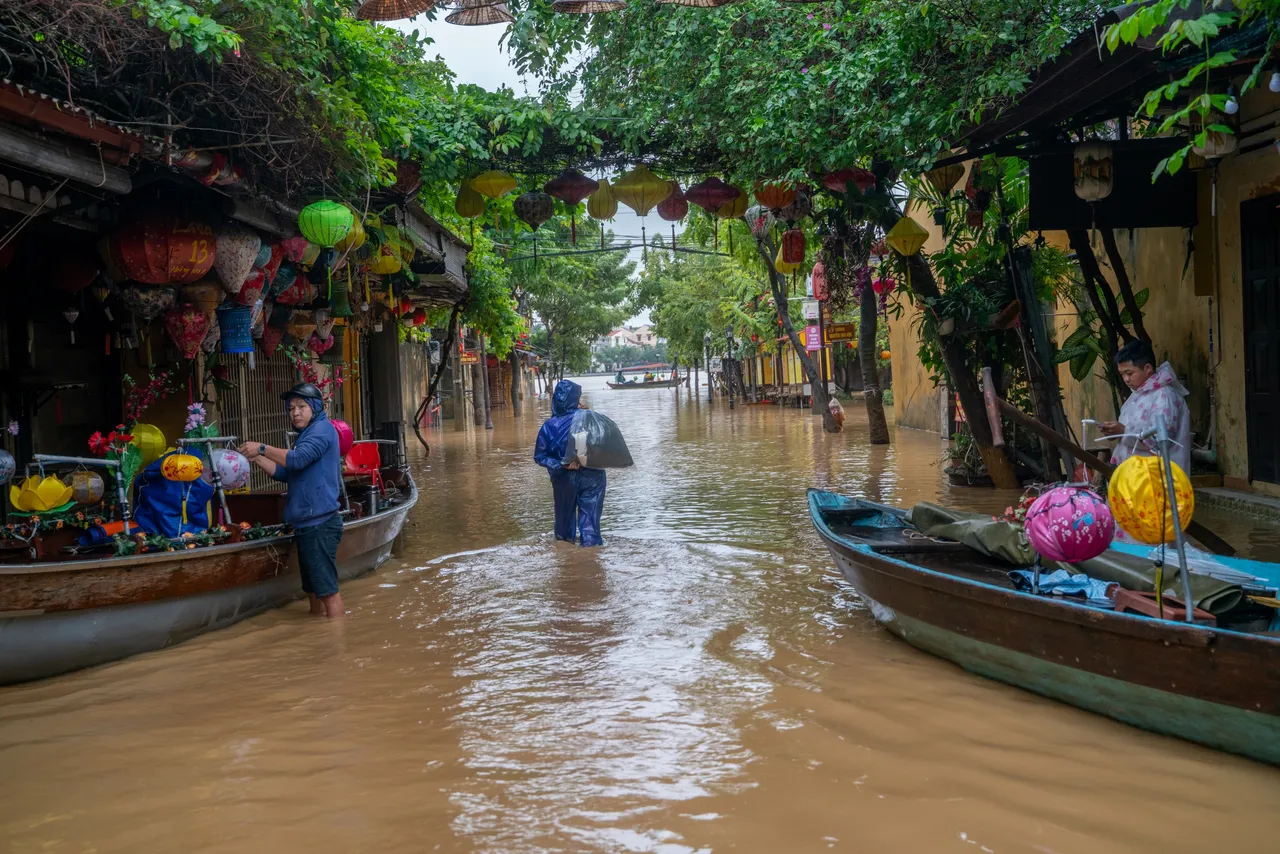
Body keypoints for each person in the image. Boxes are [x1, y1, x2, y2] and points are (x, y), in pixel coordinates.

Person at [239, 383, 345, 618]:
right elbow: (285, 473)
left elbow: (296, 460)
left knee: (327, 591)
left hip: (320, 524)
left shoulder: (322, 431)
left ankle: (338, 645)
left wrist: (263, 447)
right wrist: (257, 458)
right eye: (291, 408)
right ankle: (319, 632)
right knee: (312, 590)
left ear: (315, 408)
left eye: (301, 407)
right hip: (307, 524)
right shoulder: (307, 434)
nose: (295, 413)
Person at [1099, 339, 1191, 475]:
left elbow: (1162, 441)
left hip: (1159, 480)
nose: (1126, 379)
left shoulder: (1164, 396)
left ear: (1147, 368)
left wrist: (1124, 431)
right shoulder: (1135, 396)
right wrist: (1116, 433)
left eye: (1129, 373)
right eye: (1122, 374)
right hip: (1136, 478)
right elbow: (1130, 433)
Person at [533, 379, 606, 547]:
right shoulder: (590, 419)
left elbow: (540, 456)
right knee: (591, 525)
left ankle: (565, 556)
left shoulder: (549, 426)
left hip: (564, 477)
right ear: (576, 398)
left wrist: (561, 464)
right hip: (593, 476)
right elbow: (604, 446)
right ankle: (592, 557)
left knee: (564, 525)